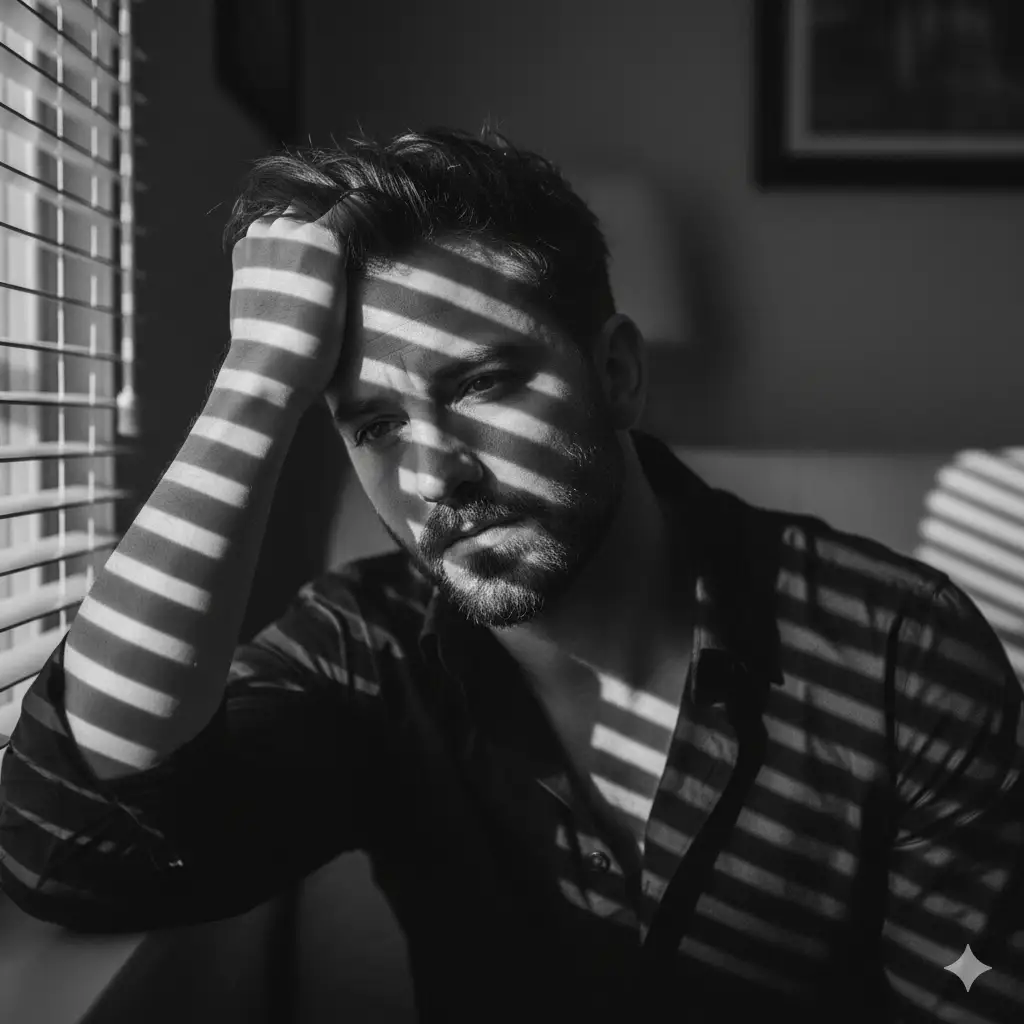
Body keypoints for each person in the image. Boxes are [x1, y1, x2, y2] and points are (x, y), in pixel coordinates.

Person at [0, 126, 1021, 1024]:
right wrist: (259, 380)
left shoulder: (896, 650)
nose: (434, 471)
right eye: (375, 422)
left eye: (482, 383)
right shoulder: (367, 649)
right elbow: (70, 843)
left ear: (614, 371)